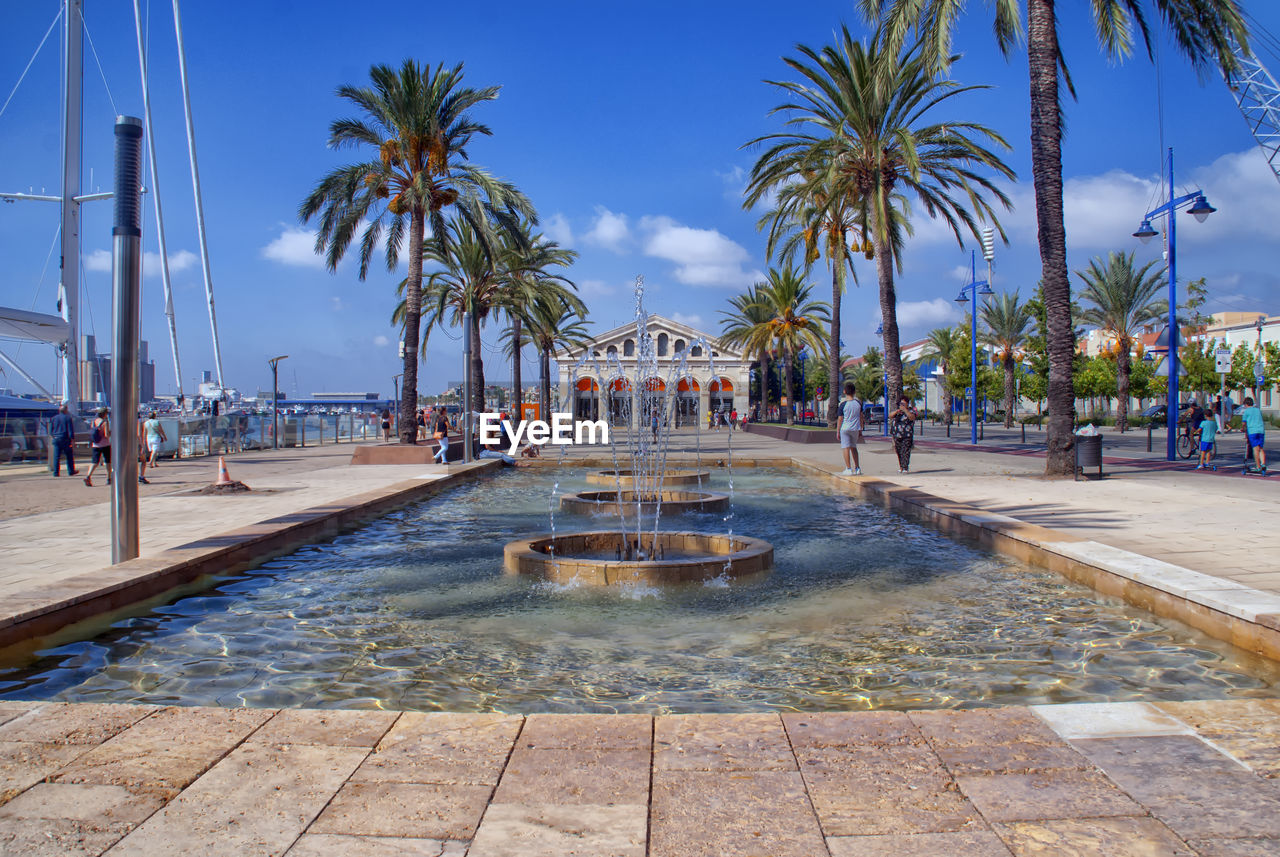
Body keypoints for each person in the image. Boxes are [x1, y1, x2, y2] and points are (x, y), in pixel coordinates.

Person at [835, 381, 862, 475]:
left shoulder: (843, 405)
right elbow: (861, 416)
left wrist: (837, 431)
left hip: (845, 428)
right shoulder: (858, 403)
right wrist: (860, 429)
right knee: (854, 447)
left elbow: (840, 419)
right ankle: (857, 468)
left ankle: (848, 468)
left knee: (845, 448)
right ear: (854, 392)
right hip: (855, 428)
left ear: (844, 391)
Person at [889, 397, 918, 473]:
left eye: (904, 404)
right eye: (901, 404)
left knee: (905, 451)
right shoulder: (898, 412)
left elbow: (912, 417)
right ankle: (901, 467)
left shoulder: (911, 411)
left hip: (907, 435)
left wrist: (905, 410)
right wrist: (896, 412)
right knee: (898, 451)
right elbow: (890, 415)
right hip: (897, 434)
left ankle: (905, 467)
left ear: (907, 404)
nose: (902, 405)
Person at [84, 407, 111, 487]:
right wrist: (110, 433)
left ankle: (88, 476)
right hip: (105, 444)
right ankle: (109, 478)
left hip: (95, 444)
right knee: (108, 462)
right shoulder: (105, 422)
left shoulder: (94, 421)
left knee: (94, 462)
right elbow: (106, 435)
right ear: (105, 414)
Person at [1240, 396, 1267, 474]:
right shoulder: (1258, 410)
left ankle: (1258, 467)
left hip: (1252, 431)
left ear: (1246, 404)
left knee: (1255, 449)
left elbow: (1244, 423)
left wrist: (1242, 428)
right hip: (1261, 430)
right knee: (1261, 448)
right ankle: (1263, 464)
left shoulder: (1246, 411)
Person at [50, 403, 77, 477]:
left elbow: (50, 430)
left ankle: (56, 472)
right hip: (65, 439)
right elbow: (70, 430)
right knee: (69, 456)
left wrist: (54, 436)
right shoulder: (68, 418)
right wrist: (72, 440)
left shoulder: (53, 418)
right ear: (66, 410)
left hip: (56, 438)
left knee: (56, 457)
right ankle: (71, 471)